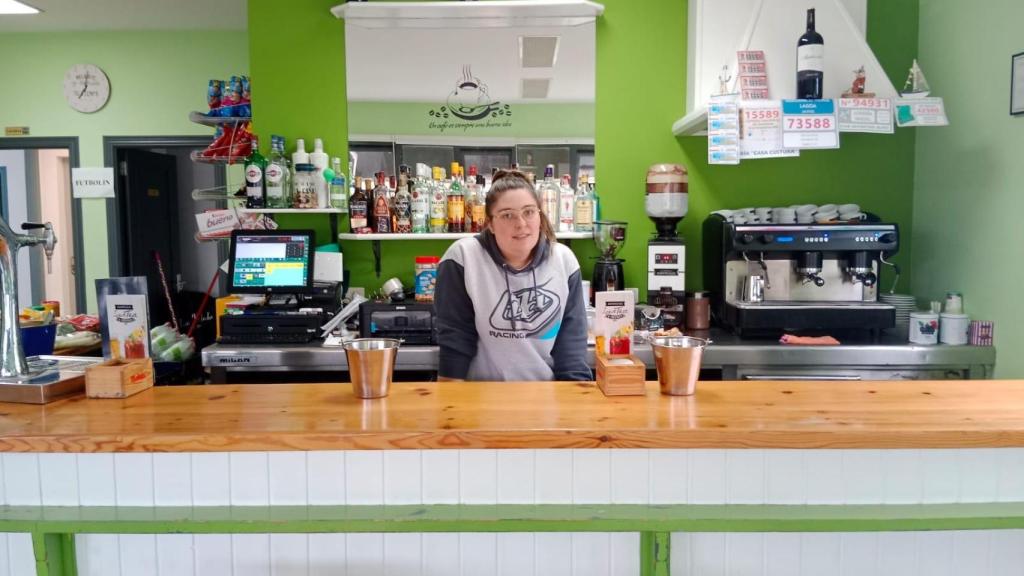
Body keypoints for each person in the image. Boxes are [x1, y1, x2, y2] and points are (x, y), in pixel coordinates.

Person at [434, 169, 591, 381]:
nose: (521, 224)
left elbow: (571, 351)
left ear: (540, 214)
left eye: (529, 212)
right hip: (480, 398)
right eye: (507, 215)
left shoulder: (564, 261)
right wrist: (451, 409)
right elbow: (455, 344)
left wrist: (574, 407)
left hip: (545, 397)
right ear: (489, 223)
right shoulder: (463, 258)